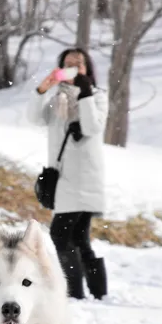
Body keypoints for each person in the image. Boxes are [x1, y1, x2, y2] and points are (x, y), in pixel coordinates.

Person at [28, 47, 109, 300]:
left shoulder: (97, 97)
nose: (74, 67)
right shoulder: (57, 100)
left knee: (60, 234)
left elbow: (92, 126)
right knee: (79, 238)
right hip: (62, 179)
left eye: (79, 64)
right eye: (68, 64)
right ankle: (98, 293)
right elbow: (34, 118)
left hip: (85, 178)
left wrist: (84, 93)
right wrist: (42, 89)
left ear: (88, 69)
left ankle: (74, 293)